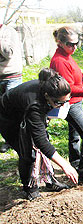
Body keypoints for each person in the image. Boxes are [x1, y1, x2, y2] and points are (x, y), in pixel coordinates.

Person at [0, 68, 78, 200]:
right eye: (59, 103)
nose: (62, 106)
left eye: (66, 102)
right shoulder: (35, 105)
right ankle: (30, 187)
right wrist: (65, 165)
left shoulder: (49, 86)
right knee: (27, 152)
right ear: (47, 96)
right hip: (8, 119)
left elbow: (43, 140)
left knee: (43, 147)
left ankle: (50, 181)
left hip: (24, 111)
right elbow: (41, 141)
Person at [50, 26, 83, 183]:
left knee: (75, 135)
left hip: (74, 102)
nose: (74, 47)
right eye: (70, 44)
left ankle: (75, 164)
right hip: (71, 103)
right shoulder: (60, 60)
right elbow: (66, 88)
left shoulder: (66, 55)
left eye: (76, 43)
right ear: (60, 42)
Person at [0, 24, 23, 153]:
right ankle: (7, 138)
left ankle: (15, 140)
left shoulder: (9, 32)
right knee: (1, 112)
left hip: (11, 76)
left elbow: (8, 53)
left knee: (12, 110)